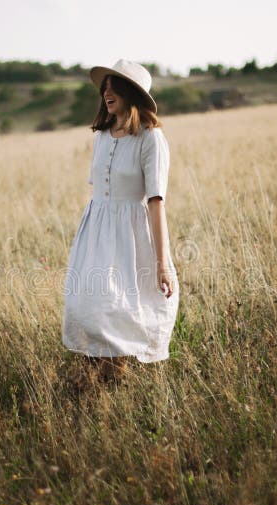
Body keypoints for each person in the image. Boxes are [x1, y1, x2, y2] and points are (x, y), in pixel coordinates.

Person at [62, 58, 179, 384]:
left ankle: (111, 379)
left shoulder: (151, 139)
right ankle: (96, 378)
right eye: (105, 86)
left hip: (130, 235)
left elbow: (156, 202)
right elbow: (99, 190)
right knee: (86, 305)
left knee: (119, 310)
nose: (107, 91)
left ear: (131, 92)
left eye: (114, 86)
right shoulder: (101, 136)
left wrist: (161, 263)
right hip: (96, 231)